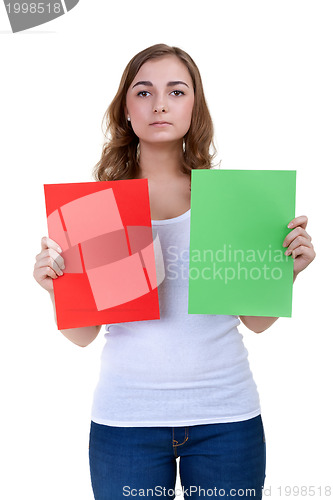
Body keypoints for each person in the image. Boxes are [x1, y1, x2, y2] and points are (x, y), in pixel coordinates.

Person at [33, 44, 316, 500]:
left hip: (225, 418)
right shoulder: (97, 206)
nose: (160, 103)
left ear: (194, 106)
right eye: (143, 92)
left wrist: (289, 269)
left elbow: (258, 322)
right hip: (126, 421)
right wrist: (53, 286)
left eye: (176, 91)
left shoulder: (234, 200)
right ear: (125, 109)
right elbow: (83, 335)